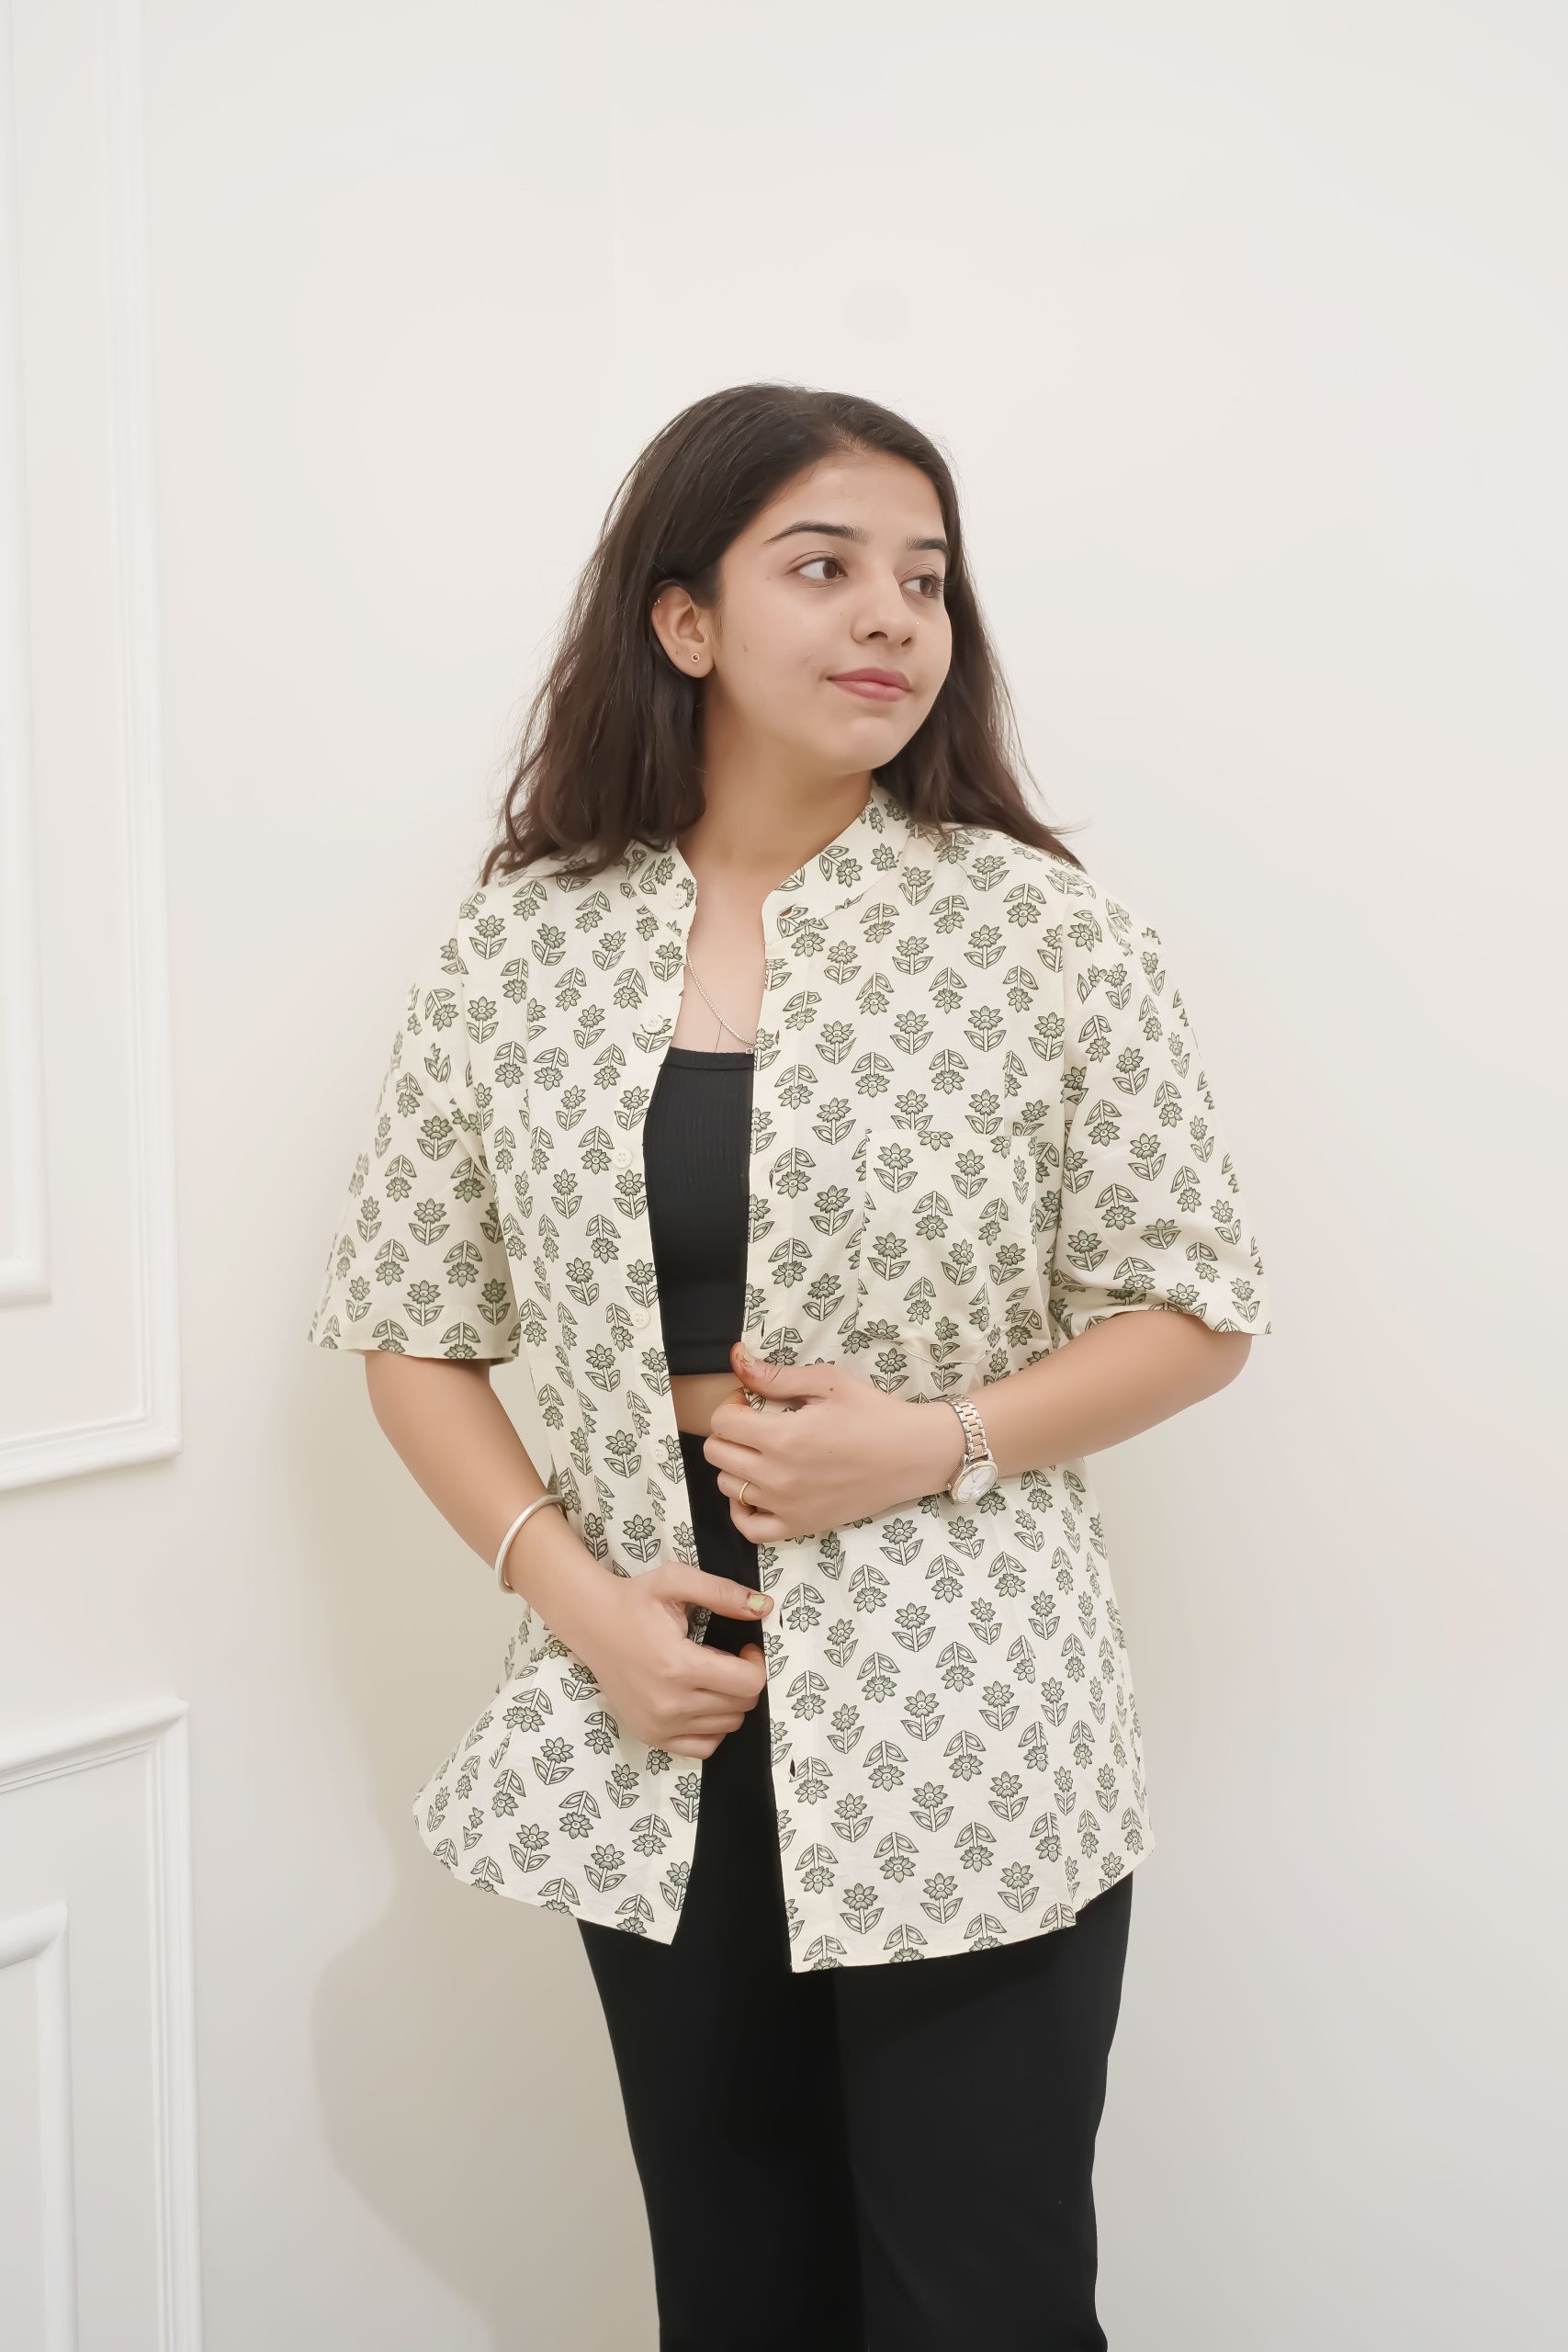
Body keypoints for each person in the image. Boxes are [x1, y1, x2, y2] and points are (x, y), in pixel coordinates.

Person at [307, 383, 1274, 2350]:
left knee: (983, 2297)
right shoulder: (519, 946)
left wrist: (935, 1441)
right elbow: (410, 1328)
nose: (891, 617)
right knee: (734, 2284)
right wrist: (583, 1606)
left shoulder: (1043, 935)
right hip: (653, 1694)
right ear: (682, 619)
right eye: (822, 567)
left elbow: (1197, 1304)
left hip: (969, 1690)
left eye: (924, 578)